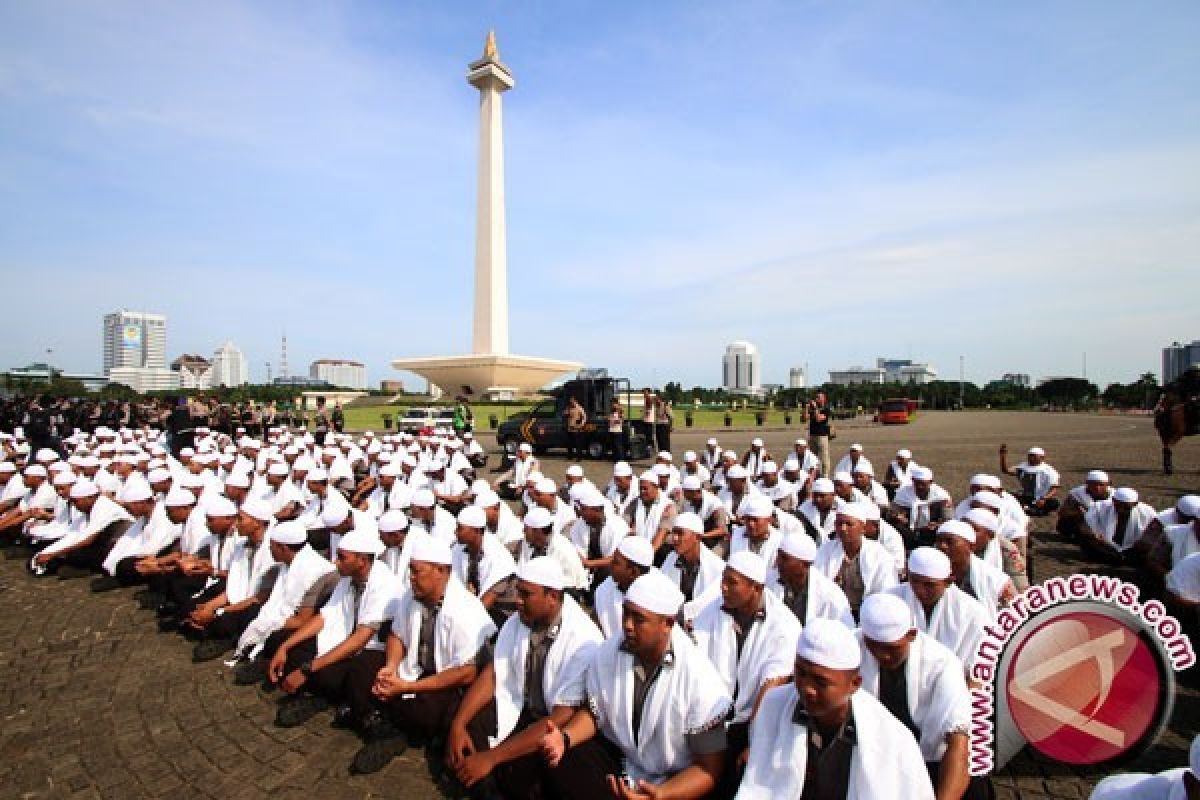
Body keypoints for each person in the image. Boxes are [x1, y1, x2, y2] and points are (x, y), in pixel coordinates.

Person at [539, 570, 732, 800]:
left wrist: (659, 795)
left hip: (675, 781)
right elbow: (596, 713)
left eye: (638, 619)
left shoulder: (699, 680)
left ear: (667, 624)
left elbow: (708, 769)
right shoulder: (611, 651)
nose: (627, 626)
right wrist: (565, 738)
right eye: (625, 614)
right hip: (626, 764)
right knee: (565, 760)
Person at [445, 557, 604, 800]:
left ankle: (483, 778)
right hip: (519, 709)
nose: (517, 600)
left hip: (551, 724)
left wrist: (491, 757)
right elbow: (495, 673)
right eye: (518, 591)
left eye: (525, 594)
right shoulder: (518, 622)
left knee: (545, 765)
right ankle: (482, 779)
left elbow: (561, 716)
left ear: (552, 595)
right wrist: (458, 724)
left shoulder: (583, 640)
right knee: (463, 714)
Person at [735, 618, 935, 799]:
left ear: (854, 684)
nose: (807, 688)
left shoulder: (891, 738)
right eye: (801, 673)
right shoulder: (775, 704)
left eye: (821, 682)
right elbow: (760, 786)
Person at [351, 537, 496, 774]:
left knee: (433, 706)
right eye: (410, 570)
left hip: (446, 678)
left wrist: (407, 687)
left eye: (417, 571)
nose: (411, 577)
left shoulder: (465, 610)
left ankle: (398, 728)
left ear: (441, 571)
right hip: (415, 670)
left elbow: (466, 673)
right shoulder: (413, 595)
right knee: (363, 665)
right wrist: (390, 667)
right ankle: (383, 727)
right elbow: (397, 635)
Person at [691, 551, 801, 796]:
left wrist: (756, 741)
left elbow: (772, 684)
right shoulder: (712, 611)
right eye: (723, 580)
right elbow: (696, 662)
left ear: (755, 588)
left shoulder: (783, 624)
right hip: (713, 715)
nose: (723, 587)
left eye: (732, 582)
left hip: (754, 719)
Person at [856, 594, 979, 800]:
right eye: (873, 646)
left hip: (929, 760)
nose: (883, 655)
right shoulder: (850, 649)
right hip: (868, 756)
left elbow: (958, 742)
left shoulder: (943, 664)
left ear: (911, 635)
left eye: (892, 649)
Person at [889, 548, 989, 676]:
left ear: (948, 582)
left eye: (929, 585)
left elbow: (978, 668)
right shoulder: (890, 599)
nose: (919, 590)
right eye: (914, 581)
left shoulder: (973, 613)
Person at [813, 503, 897, 621]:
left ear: (863, 528)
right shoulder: (825, 550)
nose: (842, 528)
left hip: (867, 614)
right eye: (839, 523)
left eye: (849, 524)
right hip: (832, 613)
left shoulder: (879, 555)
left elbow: (886, 592)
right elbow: (817, 585)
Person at [934, 520, 1015, 623]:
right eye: (939, 541)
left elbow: (1014, 617)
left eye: (949, 542)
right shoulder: (927, 576)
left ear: (971, 547)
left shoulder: (996, 580)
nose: (942, 546)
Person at [660, 512, 726, 617]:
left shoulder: (717, 568)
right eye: (674, 533)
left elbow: (710, 604)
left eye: (680, 533)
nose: (675, 538)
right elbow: (661, 590)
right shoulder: (671, 558)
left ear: (697, 537)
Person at [592, 536, 654, 639]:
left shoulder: (658, 595)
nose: (610, 565)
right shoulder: (606, 588)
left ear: (633, 572)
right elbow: (595, 627)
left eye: (615, 562)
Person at [625, 470, 677, 563]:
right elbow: (624, 523)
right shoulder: (636, 502)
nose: (642, 492)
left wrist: (644, 558)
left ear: (656, 488)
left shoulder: (668, 506)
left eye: (645, 488)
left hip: (659, 551)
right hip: (640, 549)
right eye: (640, 488)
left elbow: (661, 535)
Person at [998, 444, 1060, 515]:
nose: (1031, 458)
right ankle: (1028, 509)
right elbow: (1005, 470)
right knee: (1005, 495)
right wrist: (1003, 456)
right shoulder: (1023, 467)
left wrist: (1044, 498)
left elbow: (1054, 489)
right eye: (1030, 455)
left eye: (1034, 456)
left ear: (1042, 458)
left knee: (1054, 503)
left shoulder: (1049, 471)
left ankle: (1028, 509)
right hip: (1025, 496)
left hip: (1041, 498)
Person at [1056, 470, 1112, 541]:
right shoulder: (1077, 494)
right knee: (1064, 523)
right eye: (1093, 484)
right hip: (1083, 522)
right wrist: (1079, 512)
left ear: (1107, 484)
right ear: (1087, 483)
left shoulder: (1114, 496)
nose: (1097, 488)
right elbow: (1062, 512)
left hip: (1107, 524)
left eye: (1101, 485)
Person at [807, 392, 832, 478]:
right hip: (812, 435)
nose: (817, 399)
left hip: (822, 436)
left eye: (819, 397)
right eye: (816, 397)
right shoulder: (812, 409)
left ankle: (825, 476)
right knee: (812, 458)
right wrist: (806, 409)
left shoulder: (826, 409)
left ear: (824, 399)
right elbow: (804, 418)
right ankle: (814, 475)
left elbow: (818, 419)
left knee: (824, 458)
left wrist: (815, 408)